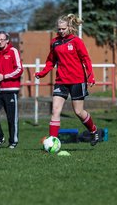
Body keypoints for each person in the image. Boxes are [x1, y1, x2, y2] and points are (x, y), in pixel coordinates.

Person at [35, 14, 99, 146]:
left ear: (69, 27)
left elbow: (86, 59)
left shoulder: (76, 41)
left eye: (63, 29)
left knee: (78, 112)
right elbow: (50, 61)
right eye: (59, 29)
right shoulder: (54, 42)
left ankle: (93, 130)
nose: (61, 31)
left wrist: (90, 76)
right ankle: (52, 142)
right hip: (61, 81)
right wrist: (42, 73)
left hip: (77, 80)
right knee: (55, 110)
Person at [0, 31, 23, 149]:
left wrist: (5, 77)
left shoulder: (13, 51)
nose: (0, 41)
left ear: (7, 40)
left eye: (2, 39)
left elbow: (19, 69)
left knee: (11, 118)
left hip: (11, 89)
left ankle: (13, 142)